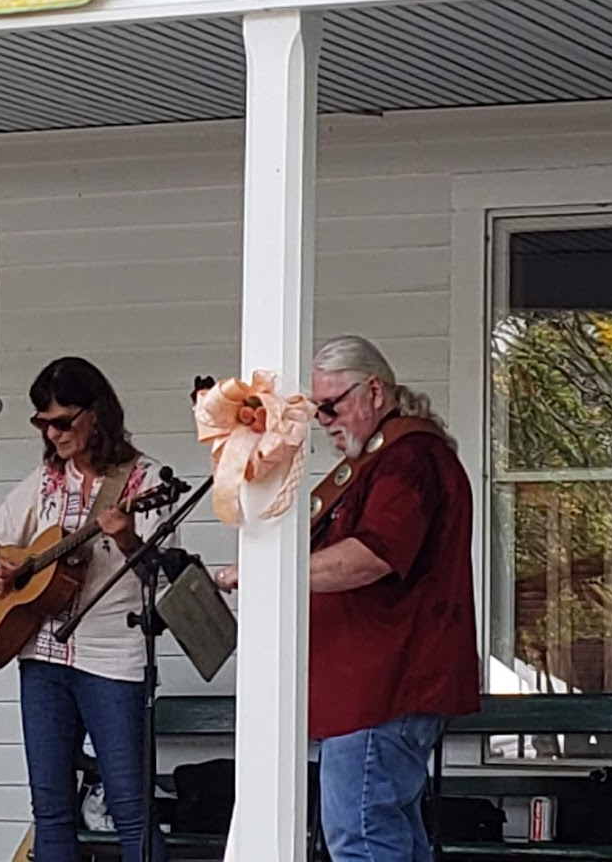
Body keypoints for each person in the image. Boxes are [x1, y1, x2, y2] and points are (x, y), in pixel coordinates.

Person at [217, 335, 479, 862]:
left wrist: (271, 575)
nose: (324, 421)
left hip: (383, 688)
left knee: (359, 838)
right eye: (317, 410)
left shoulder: (409, 459)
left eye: (332, 406)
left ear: (374, 392)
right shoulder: (385, 458)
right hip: (372, 690)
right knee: (390, 838)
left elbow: (373, 555)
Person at [0, 356, 175, 862]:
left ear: (96, 414)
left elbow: (162, 579)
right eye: (42, 423)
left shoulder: (146, 480)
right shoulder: (46, 481)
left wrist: (128, 540)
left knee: (130, 808)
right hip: (42, 659)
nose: (52, 434)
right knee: (50, 811)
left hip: (112, 660)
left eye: (62, 421)